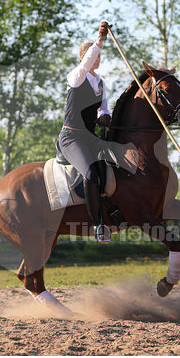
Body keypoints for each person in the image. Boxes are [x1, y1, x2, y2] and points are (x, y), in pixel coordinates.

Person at [58, 21, 113, 243]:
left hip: (89, 138)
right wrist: (100, 41)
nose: (97, 60)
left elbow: (103, 108)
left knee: (115, 164)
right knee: (91, 174)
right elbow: (88, 60)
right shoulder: (76, 76)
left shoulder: (100, 82)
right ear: (84, 58)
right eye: (94, 56)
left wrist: (105, 116)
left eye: (100, 56)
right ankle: (98, 225)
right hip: (71, 137)